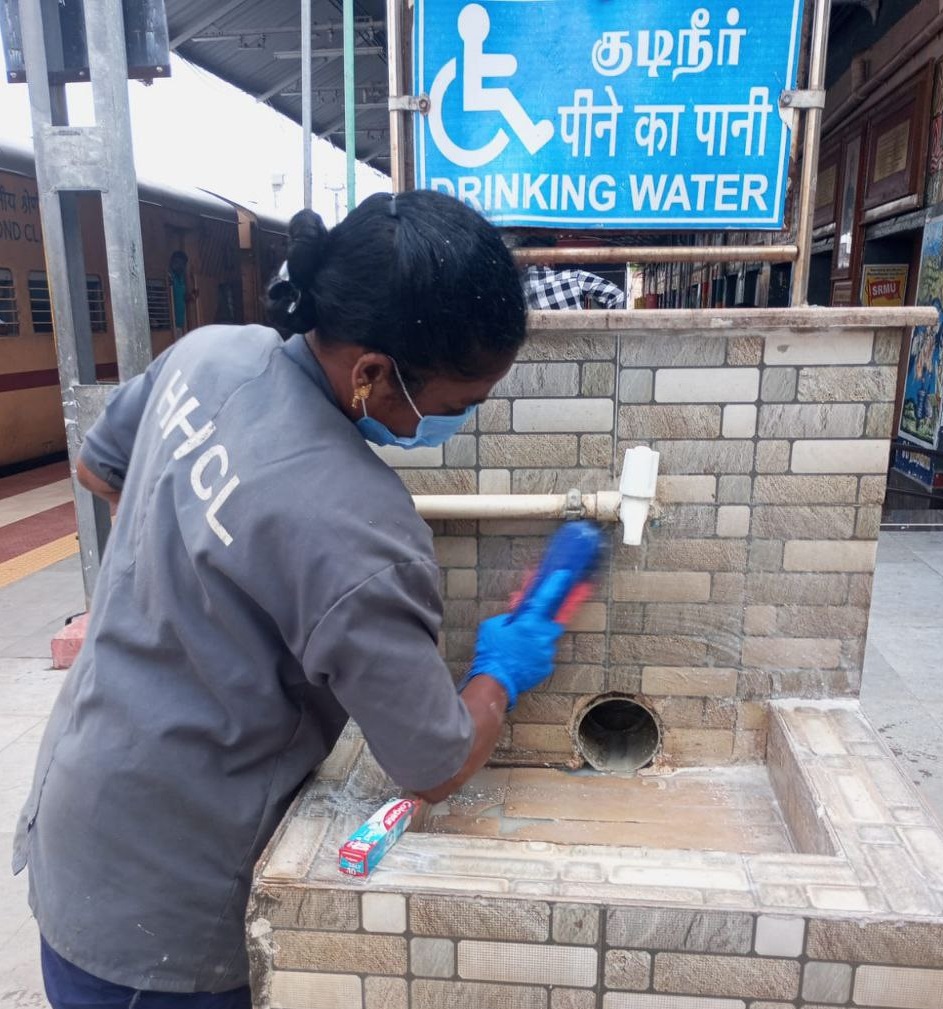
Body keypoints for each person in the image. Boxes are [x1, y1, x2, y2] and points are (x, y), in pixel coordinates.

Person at [13, 191, 568, 1009]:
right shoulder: (361, 531)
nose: (458, 420)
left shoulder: (212, 355)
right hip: (167, 906)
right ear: (372, 371)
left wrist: (194, 573)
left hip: (79, 810)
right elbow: (435, 762)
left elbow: (103, 469)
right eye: (455, 405)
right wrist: (500, 669)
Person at [519, 237, 627, 310]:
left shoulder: (511, 290)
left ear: (522, 261)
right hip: (574, 343)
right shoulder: (575, 278)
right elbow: (618, 296)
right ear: (551, 258)